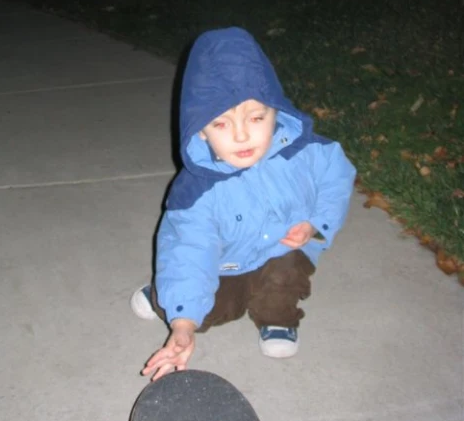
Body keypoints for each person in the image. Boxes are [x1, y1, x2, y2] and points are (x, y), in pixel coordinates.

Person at [131, 26, 356, 381]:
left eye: (256, 117)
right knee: (208, 310)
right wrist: (184, 323)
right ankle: (165, 295)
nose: (241, 135)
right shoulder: (196, 193)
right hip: (227, 264)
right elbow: (191, 249)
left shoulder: (310, 153)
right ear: (200, 131)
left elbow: (337, 180)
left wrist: (316, 223)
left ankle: (278, 320)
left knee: (286, 279)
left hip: (283, 249)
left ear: (275, 112)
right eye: (221, 123)